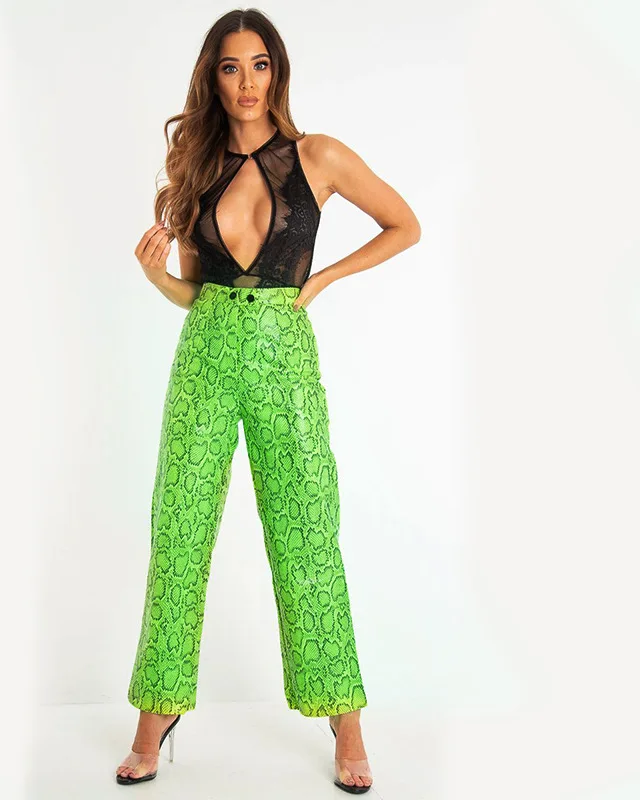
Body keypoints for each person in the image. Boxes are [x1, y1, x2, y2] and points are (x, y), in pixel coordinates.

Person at [115, 8, 420, 794]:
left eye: (259, 65)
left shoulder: (318, 155)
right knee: (179, 530)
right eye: (230, 67)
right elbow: (195, 290)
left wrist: (322, 280)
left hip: (284, 355)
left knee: (307, 533)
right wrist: (155, 275)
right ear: (213, 79)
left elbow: (404, 225)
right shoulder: (197, 166)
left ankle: (346, 720)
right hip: (207, 354)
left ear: (276, 71)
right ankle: (156, 712)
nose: (246, 82)